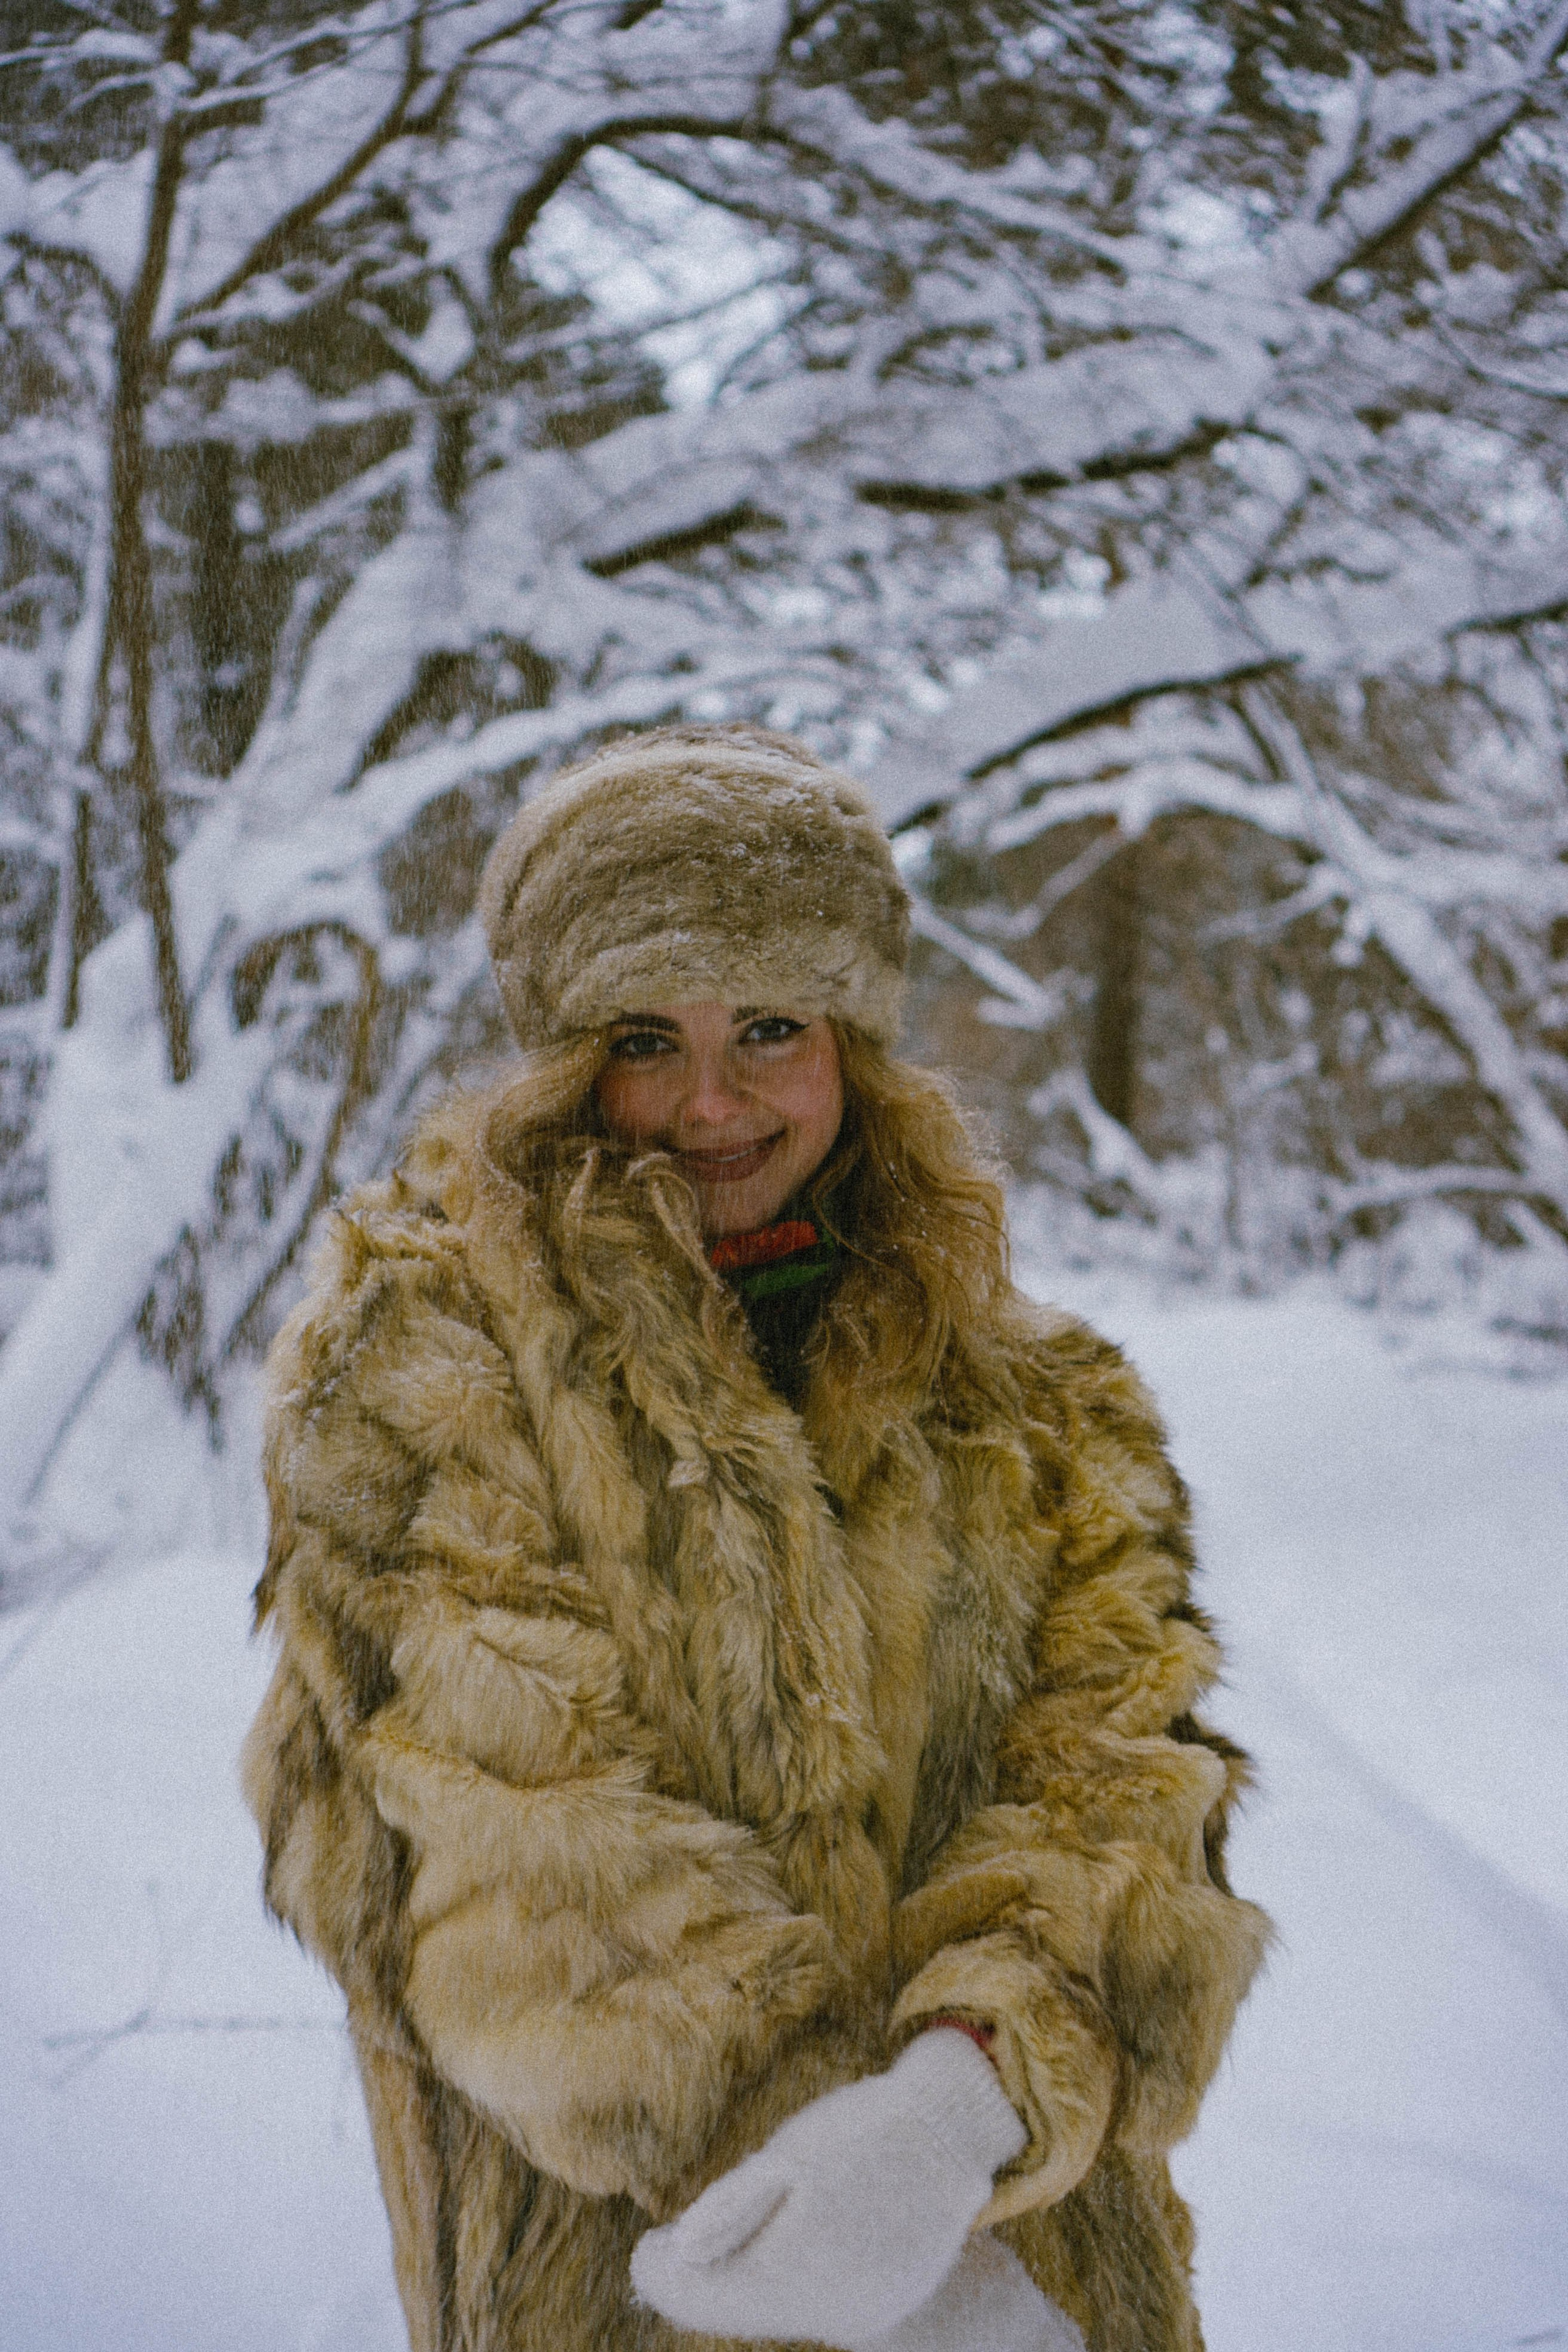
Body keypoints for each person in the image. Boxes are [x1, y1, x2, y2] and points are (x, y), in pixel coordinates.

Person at [241, 724, 1270, 2352]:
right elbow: (501, 1837)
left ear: (852, 1047)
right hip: (629, 2284)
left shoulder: (1049, 1402)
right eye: (649, 1037)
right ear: (570, 1055)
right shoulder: (429, 1357)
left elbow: (1127, 1791)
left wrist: (954, 2114)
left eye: (771, 1029)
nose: (711, 1104)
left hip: (1040, 2276)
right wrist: (867, 2245)